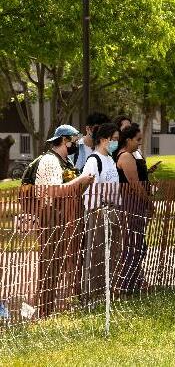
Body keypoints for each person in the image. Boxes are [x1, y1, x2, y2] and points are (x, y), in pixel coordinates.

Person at [33, 124, 95, 317]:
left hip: (65, 215)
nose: (76, 144)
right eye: (74, 141)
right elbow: (54, 190)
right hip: (51, 215)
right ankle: (43, 312)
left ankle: (52, 309)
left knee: (62, 263)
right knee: (50, 264)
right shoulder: (51, 161)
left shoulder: (66, 161)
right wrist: (80, 180)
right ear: (64, 140)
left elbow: (70, 189)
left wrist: (83, 183)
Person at [82, 123, 122, 303]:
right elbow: (90, 190)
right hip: (98, 212)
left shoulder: (111, 159)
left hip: (113, 211)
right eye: (113, 139)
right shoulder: (94, 160)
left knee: (111, 253)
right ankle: (91, 294)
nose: (115, 142)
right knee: (96, 253)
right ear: (103, 139)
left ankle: (106, 290)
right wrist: (98, 209)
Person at [115, 123, 150, 293]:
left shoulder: (128, 155)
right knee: (134, 246)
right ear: (128, 140)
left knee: (138, 246)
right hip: (132, 204)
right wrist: (149, 203)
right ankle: (127, 285)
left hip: (133, 204)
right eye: (137, 140)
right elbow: (135, 185)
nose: (139, 143)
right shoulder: (126, 157)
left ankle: (133, 283)